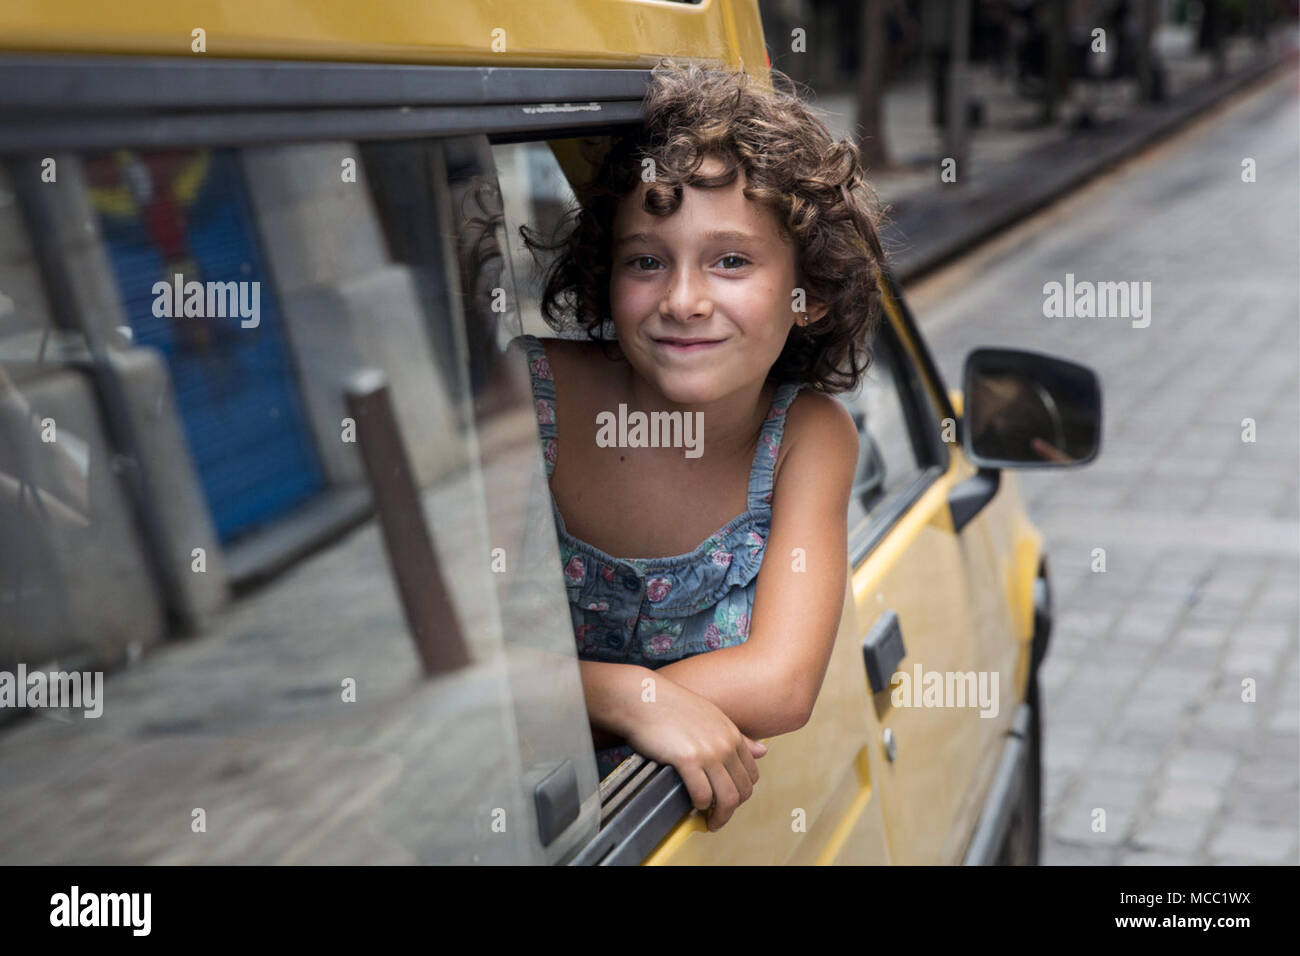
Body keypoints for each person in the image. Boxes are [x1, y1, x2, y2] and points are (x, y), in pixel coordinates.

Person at [510, 60, 887, 831]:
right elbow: (451, 680)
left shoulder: (805, 437)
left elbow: (782, 682)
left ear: (807, 292)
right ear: (605, 275)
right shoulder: (525, 396)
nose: (684, 300)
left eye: (732, 261)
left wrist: (554, 691)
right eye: (647, 260)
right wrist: (633, 697)